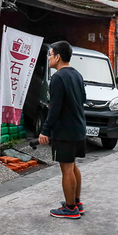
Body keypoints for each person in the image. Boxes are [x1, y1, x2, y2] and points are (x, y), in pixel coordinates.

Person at [39, 41, 87, 219]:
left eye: (50, 55)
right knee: (72, 165)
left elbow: (55, 107)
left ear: (58, 57)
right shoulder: (77, 75)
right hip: (78, 127)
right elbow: (82, 98)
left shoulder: (58, 78)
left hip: (65, 130)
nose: (49, 58)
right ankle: (76, 202)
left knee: (66, 168)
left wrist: (45, 130)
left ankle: (70, 208)